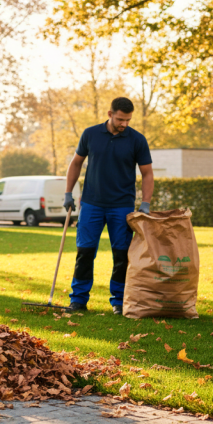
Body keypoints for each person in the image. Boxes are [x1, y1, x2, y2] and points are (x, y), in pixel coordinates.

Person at [62, 97, 154, 315]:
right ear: (109, 113)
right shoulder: (90, 134)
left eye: (128, 120)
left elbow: (147, 173)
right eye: (120, 119)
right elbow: (76, 163)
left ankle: (119, 301)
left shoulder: (137, 140)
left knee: (121, 255)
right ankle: (78, 299)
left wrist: (146, 204)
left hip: (122, 207)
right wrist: (68, 192)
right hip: (92, 204)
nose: (124, 124)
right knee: (84, 252)